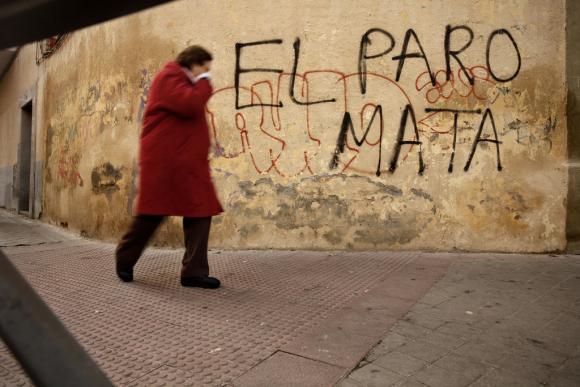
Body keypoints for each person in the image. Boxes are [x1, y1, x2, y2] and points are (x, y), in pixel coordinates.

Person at [115, 45, 223, 289]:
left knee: (200, 211)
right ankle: (124, 258)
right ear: (192, 63)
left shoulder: (182, 81)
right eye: (203, 68)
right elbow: (189, 104)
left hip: (188, 163)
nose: (205, 73)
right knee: (152, 214)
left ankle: (193, 272)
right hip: (165, 162)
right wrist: (205, 82)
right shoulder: (169, 76)